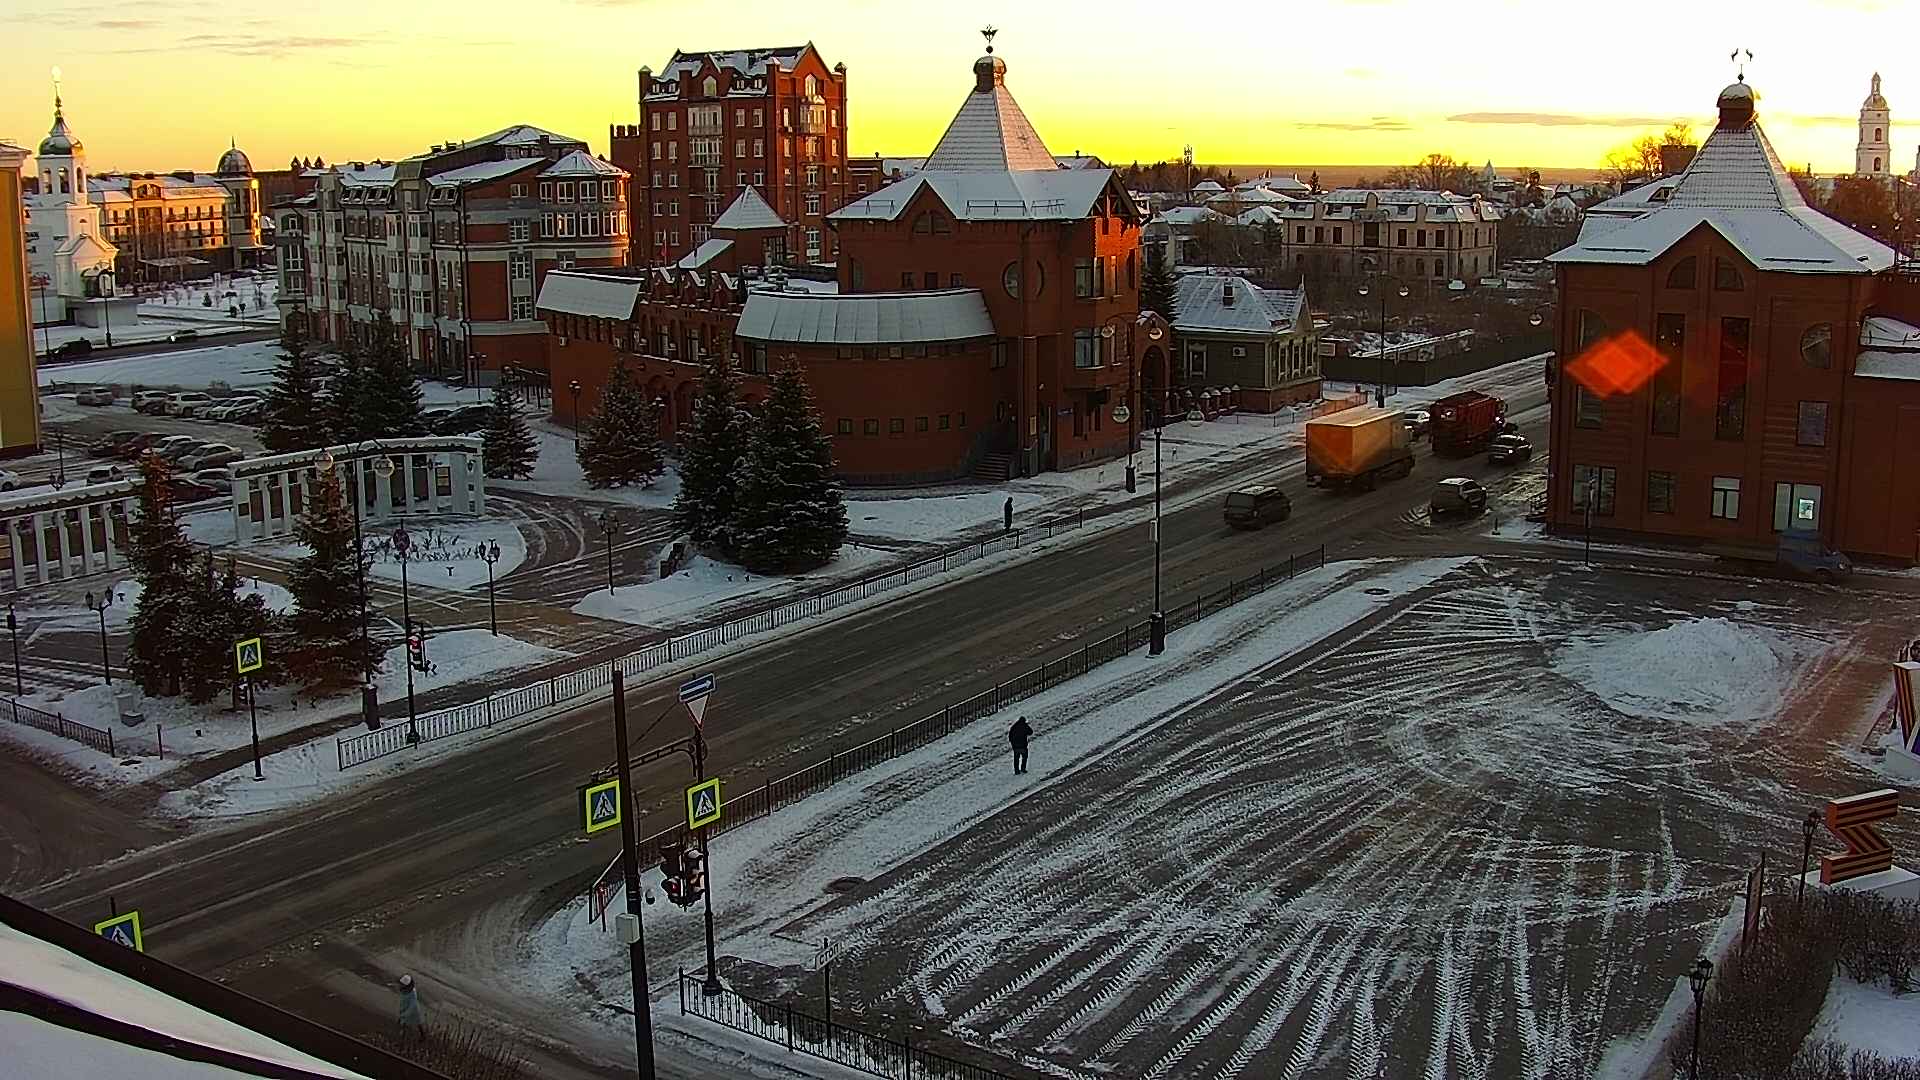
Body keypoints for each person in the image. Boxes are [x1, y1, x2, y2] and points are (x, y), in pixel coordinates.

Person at [396, 973, 424, 1040]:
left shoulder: (412, 994)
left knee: (417, 1023)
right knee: (408, 1023)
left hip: (412, 1011)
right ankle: (402, 1034)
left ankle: (422, 1035)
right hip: (405, 1008)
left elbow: (412, 1005)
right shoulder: (405, 991)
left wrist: (405, 1014)